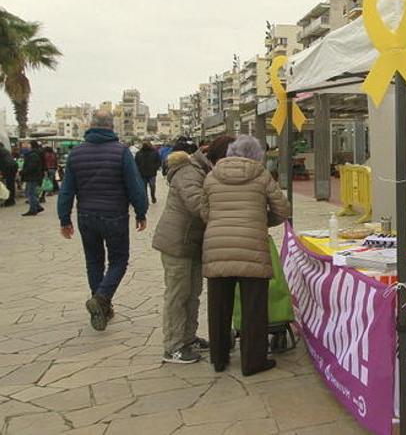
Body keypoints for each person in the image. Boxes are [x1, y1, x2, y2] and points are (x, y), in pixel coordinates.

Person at [201, 135, 291, 376]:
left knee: (219, 306)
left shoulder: (212, 176)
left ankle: (218, 359)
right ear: (256, 156)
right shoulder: (262, 176)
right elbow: (283, 210)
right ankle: (253, 362)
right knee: (254, 307)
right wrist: (262, 222)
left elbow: (204, 211)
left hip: (217, 246)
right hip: (252, 246)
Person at [57, 111, 149, 331]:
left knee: (94, 261)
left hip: (86, 216)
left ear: (91, 125)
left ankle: (102, 308)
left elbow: (66, 190)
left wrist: (64, 218)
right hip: (114, 215)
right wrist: (141, 212)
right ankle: (101, 298)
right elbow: (135, 186)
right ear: (111, 127)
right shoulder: (121, 152)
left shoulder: (76, 154)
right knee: (119, 260)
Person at [152, 140, 226, 364]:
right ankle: (173, 346)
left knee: (192, 293)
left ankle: (188, 337)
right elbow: (197, 204)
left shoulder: (199, 170)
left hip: (190, 243)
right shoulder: (189, 172)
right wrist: (227, 210)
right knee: (178, 295)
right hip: (178, 244)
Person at [20, 141, 45, 216]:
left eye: (28, 145)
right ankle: (37, 206)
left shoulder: (33, 155)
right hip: (34, 176)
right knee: (30, 192)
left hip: (32, 177)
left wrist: (23, 172)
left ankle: (33, 210)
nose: (26, 146)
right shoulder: (34, 154)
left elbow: (31, 167)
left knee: (31, 193)